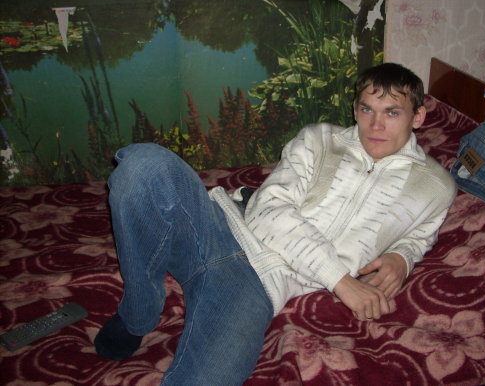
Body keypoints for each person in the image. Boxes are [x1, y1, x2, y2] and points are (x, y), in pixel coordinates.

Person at [94, 62, 457, 385]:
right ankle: (138, 314)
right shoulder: (320, 139)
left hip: (256, 288)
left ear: (418, 117)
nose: (375, 125)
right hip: (217, 229)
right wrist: (341, 281)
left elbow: (419, 236)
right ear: (355, 109)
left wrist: (402, 258)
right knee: (142, 165)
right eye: (367, 109)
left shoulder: (437, 187)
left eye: (392, 112)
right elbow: (269, 209)